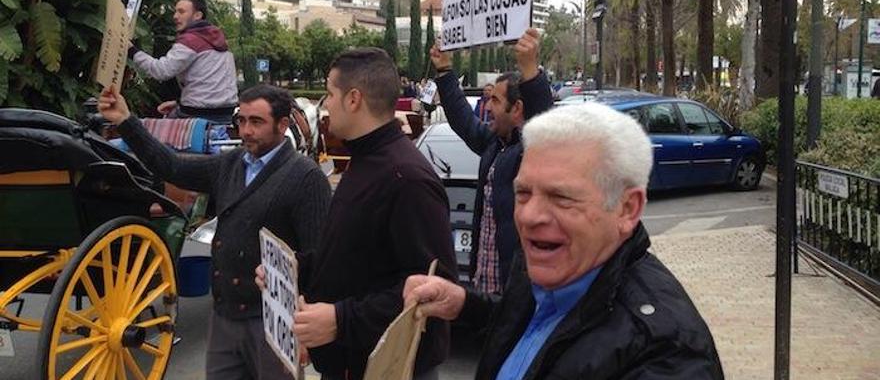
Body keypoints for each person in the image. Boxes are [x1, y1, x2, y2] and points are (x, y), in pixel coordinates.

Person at [403, 103, 724, 379]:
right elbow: (534, 327)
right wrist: (464, 304)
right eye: (523, 193)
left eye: (561, 197)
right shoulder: (548, 263)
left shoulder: (668, 354)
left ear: (627, 209)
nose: (529, 217)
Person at [98, 83, 331, 380]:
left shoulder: (306, 177)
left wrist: (307, 331)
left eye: (256, 122)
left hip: (272, 324)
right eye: (241, 121)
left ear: (282, 125)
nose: (246, 131)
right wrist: (125, 121)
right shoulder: (231, 163)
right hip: (224, 316)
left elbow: (319, 258)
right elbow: (172, 167)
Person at [260, 48, 457, 380]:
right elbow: (353, 256)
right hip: (350, 362)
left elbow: (435, 289)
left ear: (353, 99)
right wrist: (291, 269)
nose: (325, 104)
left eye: (330, 93)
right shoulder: (366, 160)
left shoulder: (406, 178)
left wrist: (340, 319)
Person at [430, 28, 553, 294]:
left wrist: (530, 69)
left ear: (517, 108)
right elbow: (464, 120)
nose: (486, 107)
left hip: (515, 296)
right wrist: (444, 72)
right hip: (483, 291)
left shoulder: (531, 151)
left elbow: (543, 120)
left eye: (495, 101)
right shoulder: (494, 144)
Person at [128, 0, 239, 123]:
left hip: (197, 113)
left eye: (181, 12)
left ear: (197, 15)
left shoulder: (191, 40)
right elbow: (208, 84)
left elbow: (161, 71)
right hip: (225, 113)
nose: (175, 16)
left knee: (153, 132)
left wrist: (132, 51)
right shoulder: (218, 40)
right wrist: (178, 103)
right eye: (175, 11)